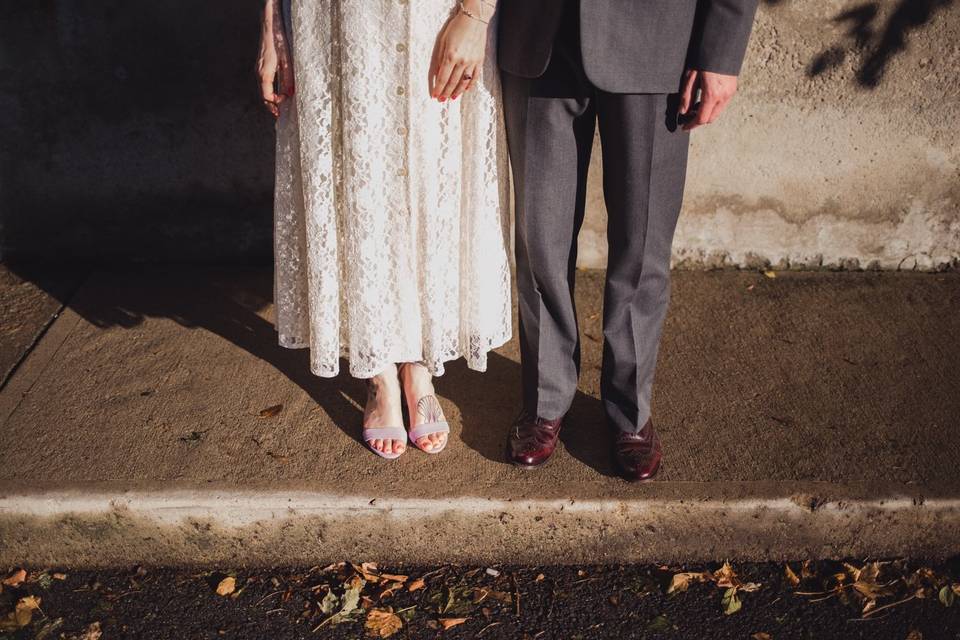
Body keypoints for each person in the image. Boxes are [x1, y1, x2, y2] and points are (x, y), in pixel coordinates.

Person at [498, 0, 759, 480]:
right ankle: (544, 398)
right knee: (539, 239)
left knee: (642, 246)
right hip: (538, 29)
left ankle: (630, 411)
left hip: (656, 39)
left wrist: (721, 50)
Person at [256, 0, 511, 459]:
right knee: (358, 170)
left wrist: (476, 14)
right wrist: (273, 24)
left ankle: (417, 364)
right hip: (336, 16)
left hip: (438, 14)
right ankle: (378, 371)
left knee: (430, 169)